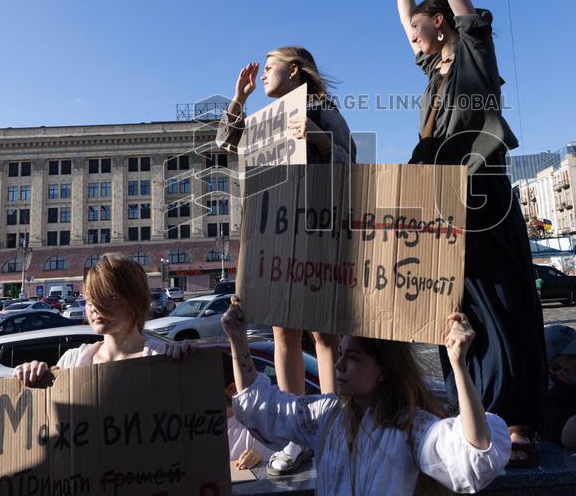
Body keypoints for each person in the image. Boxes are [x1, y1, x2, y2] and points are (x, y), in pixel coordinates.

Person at [386, 0, 546, 466]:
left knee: (499, 305)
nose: (411, 37)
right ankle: (473, 410)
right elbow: (407, 15)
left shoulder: (475, 54)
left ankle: (518, 418)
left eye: (419, 29)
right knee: (453, 308)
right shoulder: (434, 71)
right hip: (440, 203)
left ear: (443, 24)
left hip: (483, 201)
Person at [216, 46, 355, 474]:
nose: (261, 76)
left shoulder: (323, 110)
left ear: (294, 72)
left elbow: (351, 162)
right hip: (275, 233)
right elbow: (223, 143)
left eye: (269, 68)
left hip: (319, 231)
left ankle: (337, 425)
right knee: (283, 337)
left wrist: (315, 135)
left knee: (325, 338)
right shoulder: (264, 120)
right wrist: (238, 98)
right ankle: (298, 434)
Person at [222, 297, 510, 494]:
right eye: (340, 355)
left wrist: (458, 363)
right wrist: (237, 340)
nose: (340, 365)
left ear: (382, 369)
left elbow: (473, 455)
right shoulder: (327, 415)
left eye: (354, 358)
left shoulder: (410, 427)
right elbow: (263, 408)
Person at [13, 253, 193, 386]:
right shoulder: (72, 361)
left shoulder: (163, 357)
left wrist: (190, 362)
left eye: (109, 296)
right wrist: (31, 374)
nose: (95, 307)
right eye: (90, 298)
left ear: (134, 299)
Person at [222, 354, 271, 470]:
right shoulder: (189, 422)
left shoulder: (257, 424)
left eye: (207, 387)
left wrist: (261, 459)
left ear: (231, 389)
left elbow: (281, 463)